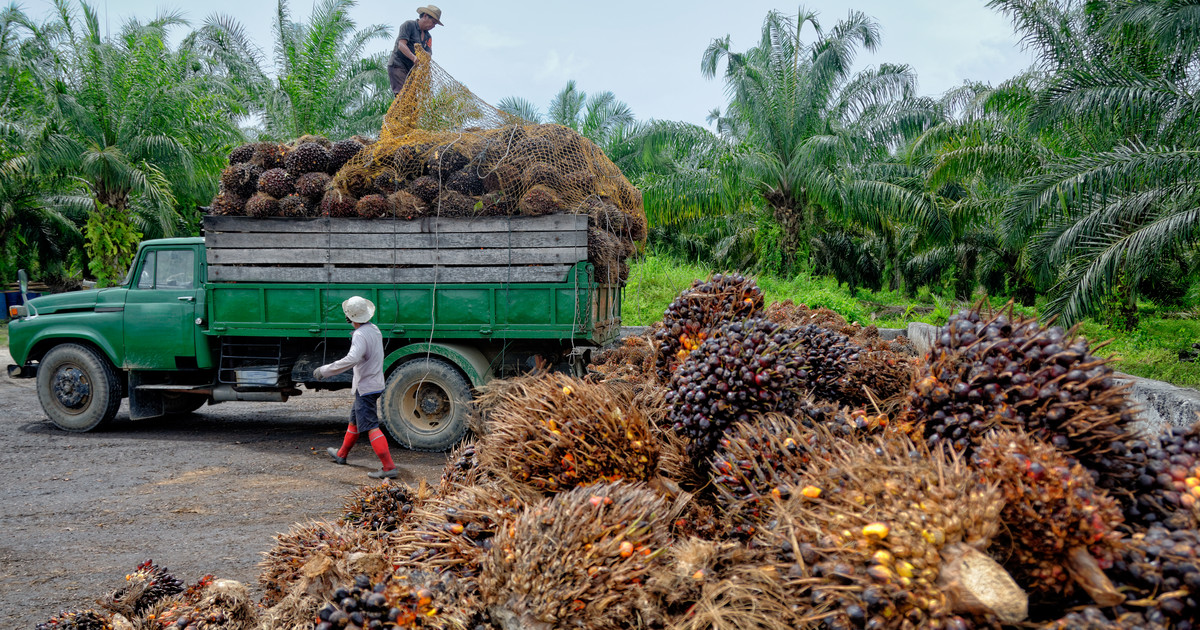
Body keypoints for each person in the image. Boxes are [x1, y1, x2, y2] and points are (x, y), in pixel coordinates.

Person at [313, 296, 398, 479]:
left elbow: (351, 359)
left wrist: (325, 370)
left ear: (349, 318)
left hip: (366, 387)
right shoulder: (374, 329)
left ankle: (389, 467)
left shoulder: (360, 335)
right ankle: (342, 455)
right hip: (374, 383)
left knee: (371, 426)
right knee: (354, 421)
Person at [388, 5, 442, 96]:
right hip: (398, 65)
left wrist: (424, 56)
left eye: (435, 24)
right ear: (425, 16)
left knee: (412, 100)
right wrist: (413, 57)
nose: (433, 26)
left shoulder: (428, 37)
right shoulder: (409, 25)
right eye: (433, 22)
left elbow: (428, 54)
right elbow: (401, 44)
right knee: (402, 96)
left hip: (411, 70)